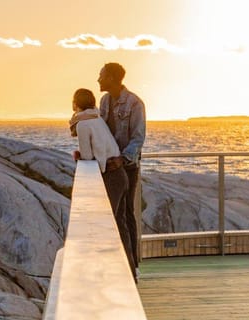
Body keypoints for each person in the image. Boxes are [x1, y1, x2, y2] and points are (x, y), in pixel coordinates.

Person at [70, 88, 132, 275]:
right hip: (120, 175)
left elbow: (88, 157)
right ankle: (129, 271)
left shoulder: (82, 124)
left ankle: (110, 273)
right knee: (120, 226)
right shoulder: (97, 119)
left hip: (111, 178)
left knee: (106, 228)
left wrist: (79, 156)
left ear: (75, 103)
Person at [97, 62, 146, 276]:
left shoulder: (134, 103)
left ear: (112, 78)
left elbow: (138, 137)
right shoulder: (105, 100)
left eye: (102, 76)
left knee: (126, 213)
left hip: (127, 166)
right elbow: (100, 129)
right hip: (110, 166)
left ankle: (131, 265)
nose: (98, 80)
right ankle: (120, 262)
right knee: (114, 214)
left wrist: (123, 159)